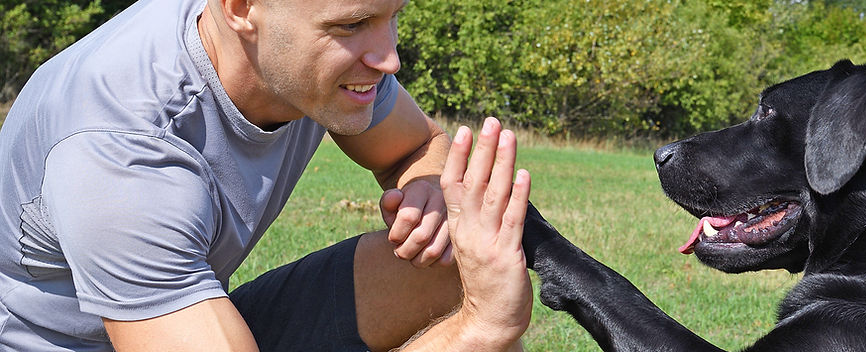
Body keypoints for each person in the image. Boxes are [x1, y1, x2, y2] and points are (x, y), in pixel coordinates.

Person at [0, 0, 533, 350]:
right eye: (352, 25)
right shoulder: (122, 150)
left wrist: (425, 191)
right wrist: (482, 330)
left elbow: (418, 146)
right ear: (241, 9)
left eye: (391, 15)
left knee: (455, 257)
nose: (389, 57)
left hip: (183, 316)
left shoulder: (307, 61)